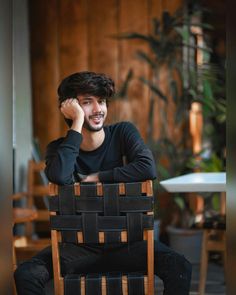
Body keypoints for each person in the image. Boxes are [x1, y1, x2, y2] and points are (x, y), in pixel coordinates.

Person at [14, 71, 192, 294]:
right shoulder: (59, 149)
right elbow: (60, 176)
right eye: (87, 102)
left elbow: (147, 167)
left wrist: (96, 177)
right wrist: (77, 123)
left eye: (101, 101)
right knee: (26, 274)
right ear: (70, 108)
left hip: (127, 245)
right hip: (78, 249)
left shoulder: (122, 133)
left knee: (180, 266)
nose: (98, 109)